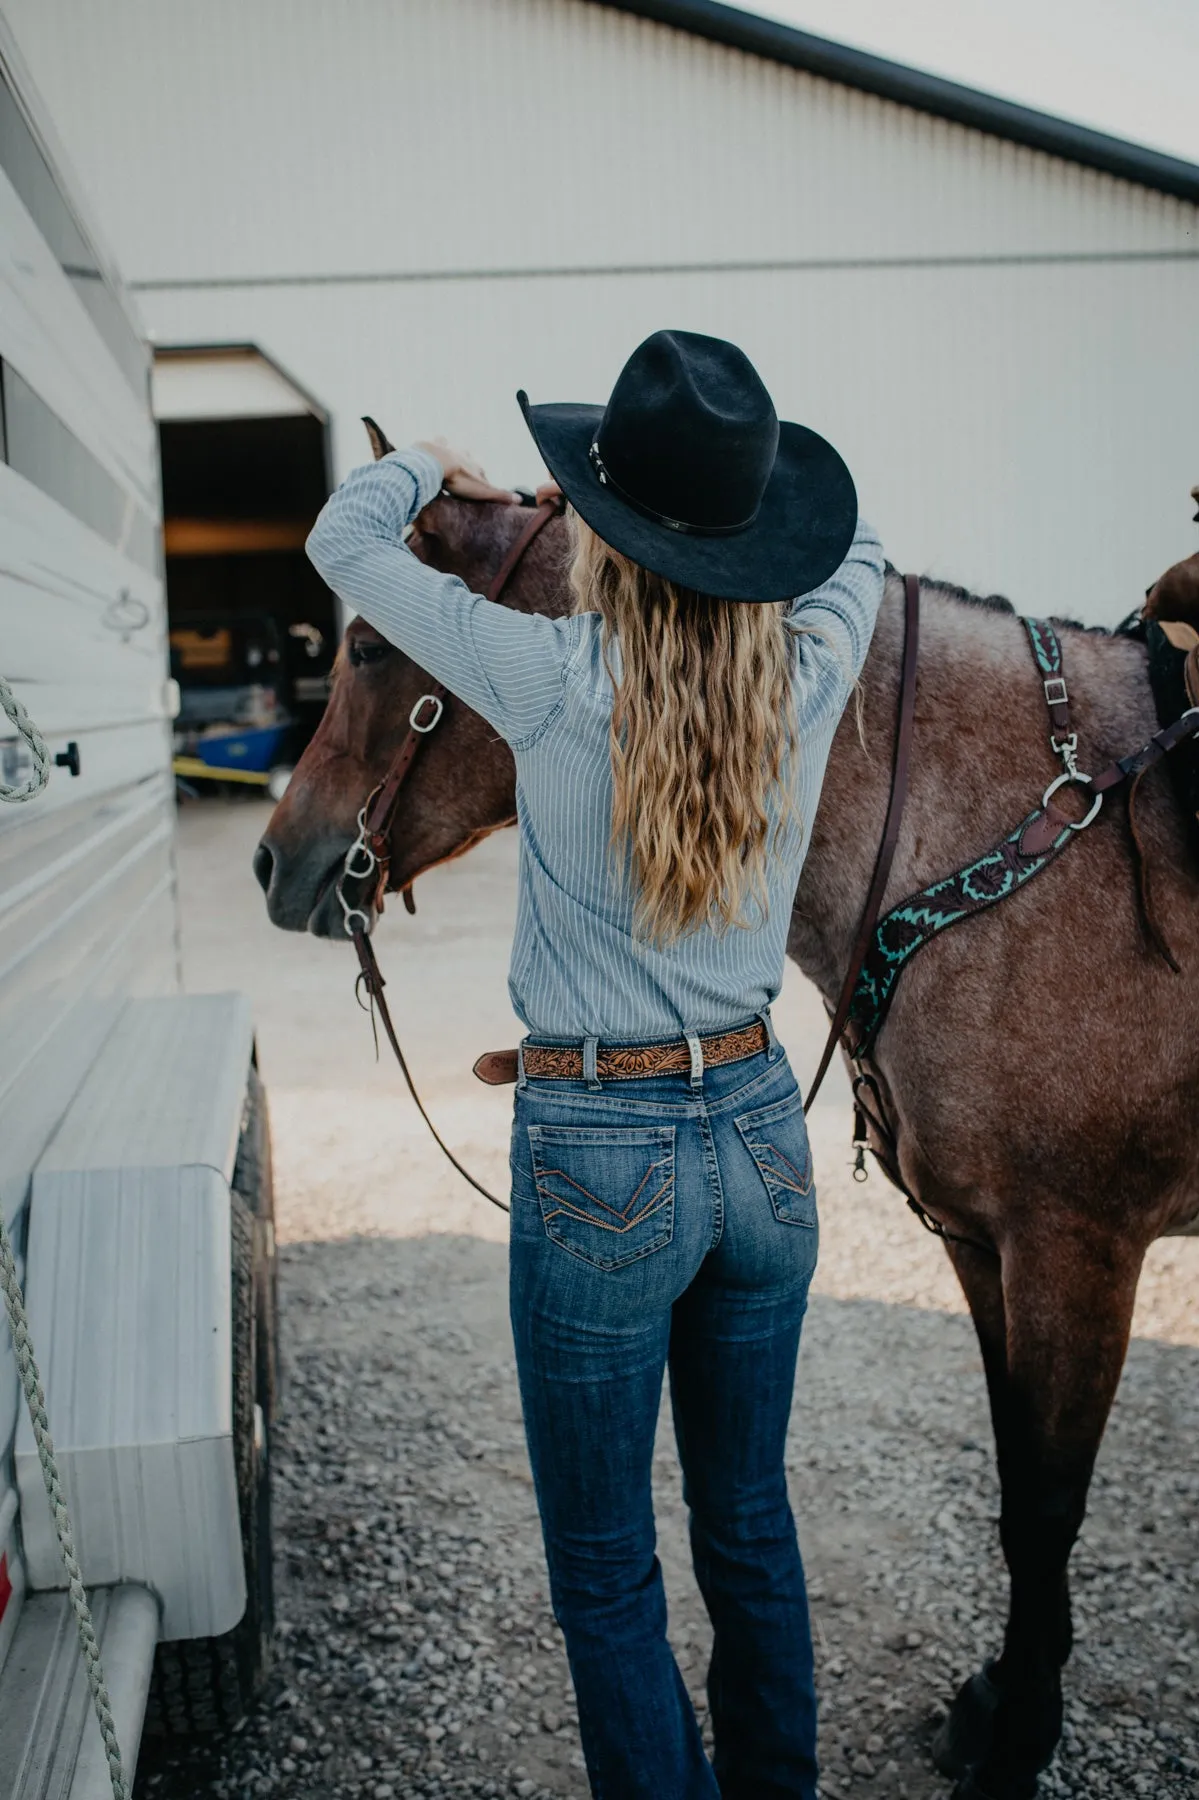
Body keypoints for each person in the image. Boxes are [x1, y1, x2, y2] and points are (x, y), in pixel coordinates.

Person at [306, 330, 886, 1799]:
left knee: (605, 1565)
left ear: (606, 535)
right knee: (748, 1520)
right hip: (760, 1128)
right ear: (750, 540)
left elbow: (342, 540)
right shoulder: (807, 676)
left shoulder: (547, 672)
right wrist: (755, 476)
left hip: (598, 1144)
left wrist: (428, 459)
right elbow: (859, 537)